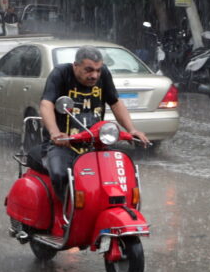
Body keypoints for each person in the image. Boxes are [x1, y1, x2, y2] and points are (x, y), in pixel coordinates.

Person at [40, 46, 149, 202]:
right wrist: (55, 133)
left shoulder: (103, 74)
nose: (94, 75)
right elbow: (46, 104)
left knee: (116, 177)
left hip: (95, 144)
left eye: (98, 70)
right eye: (89, 70)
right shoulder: (61, 73)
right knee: (61, 174)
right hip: (62, 144)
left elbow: (115, 103)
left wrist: (131, 130)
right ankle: (67, 217)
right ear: (75, 66)